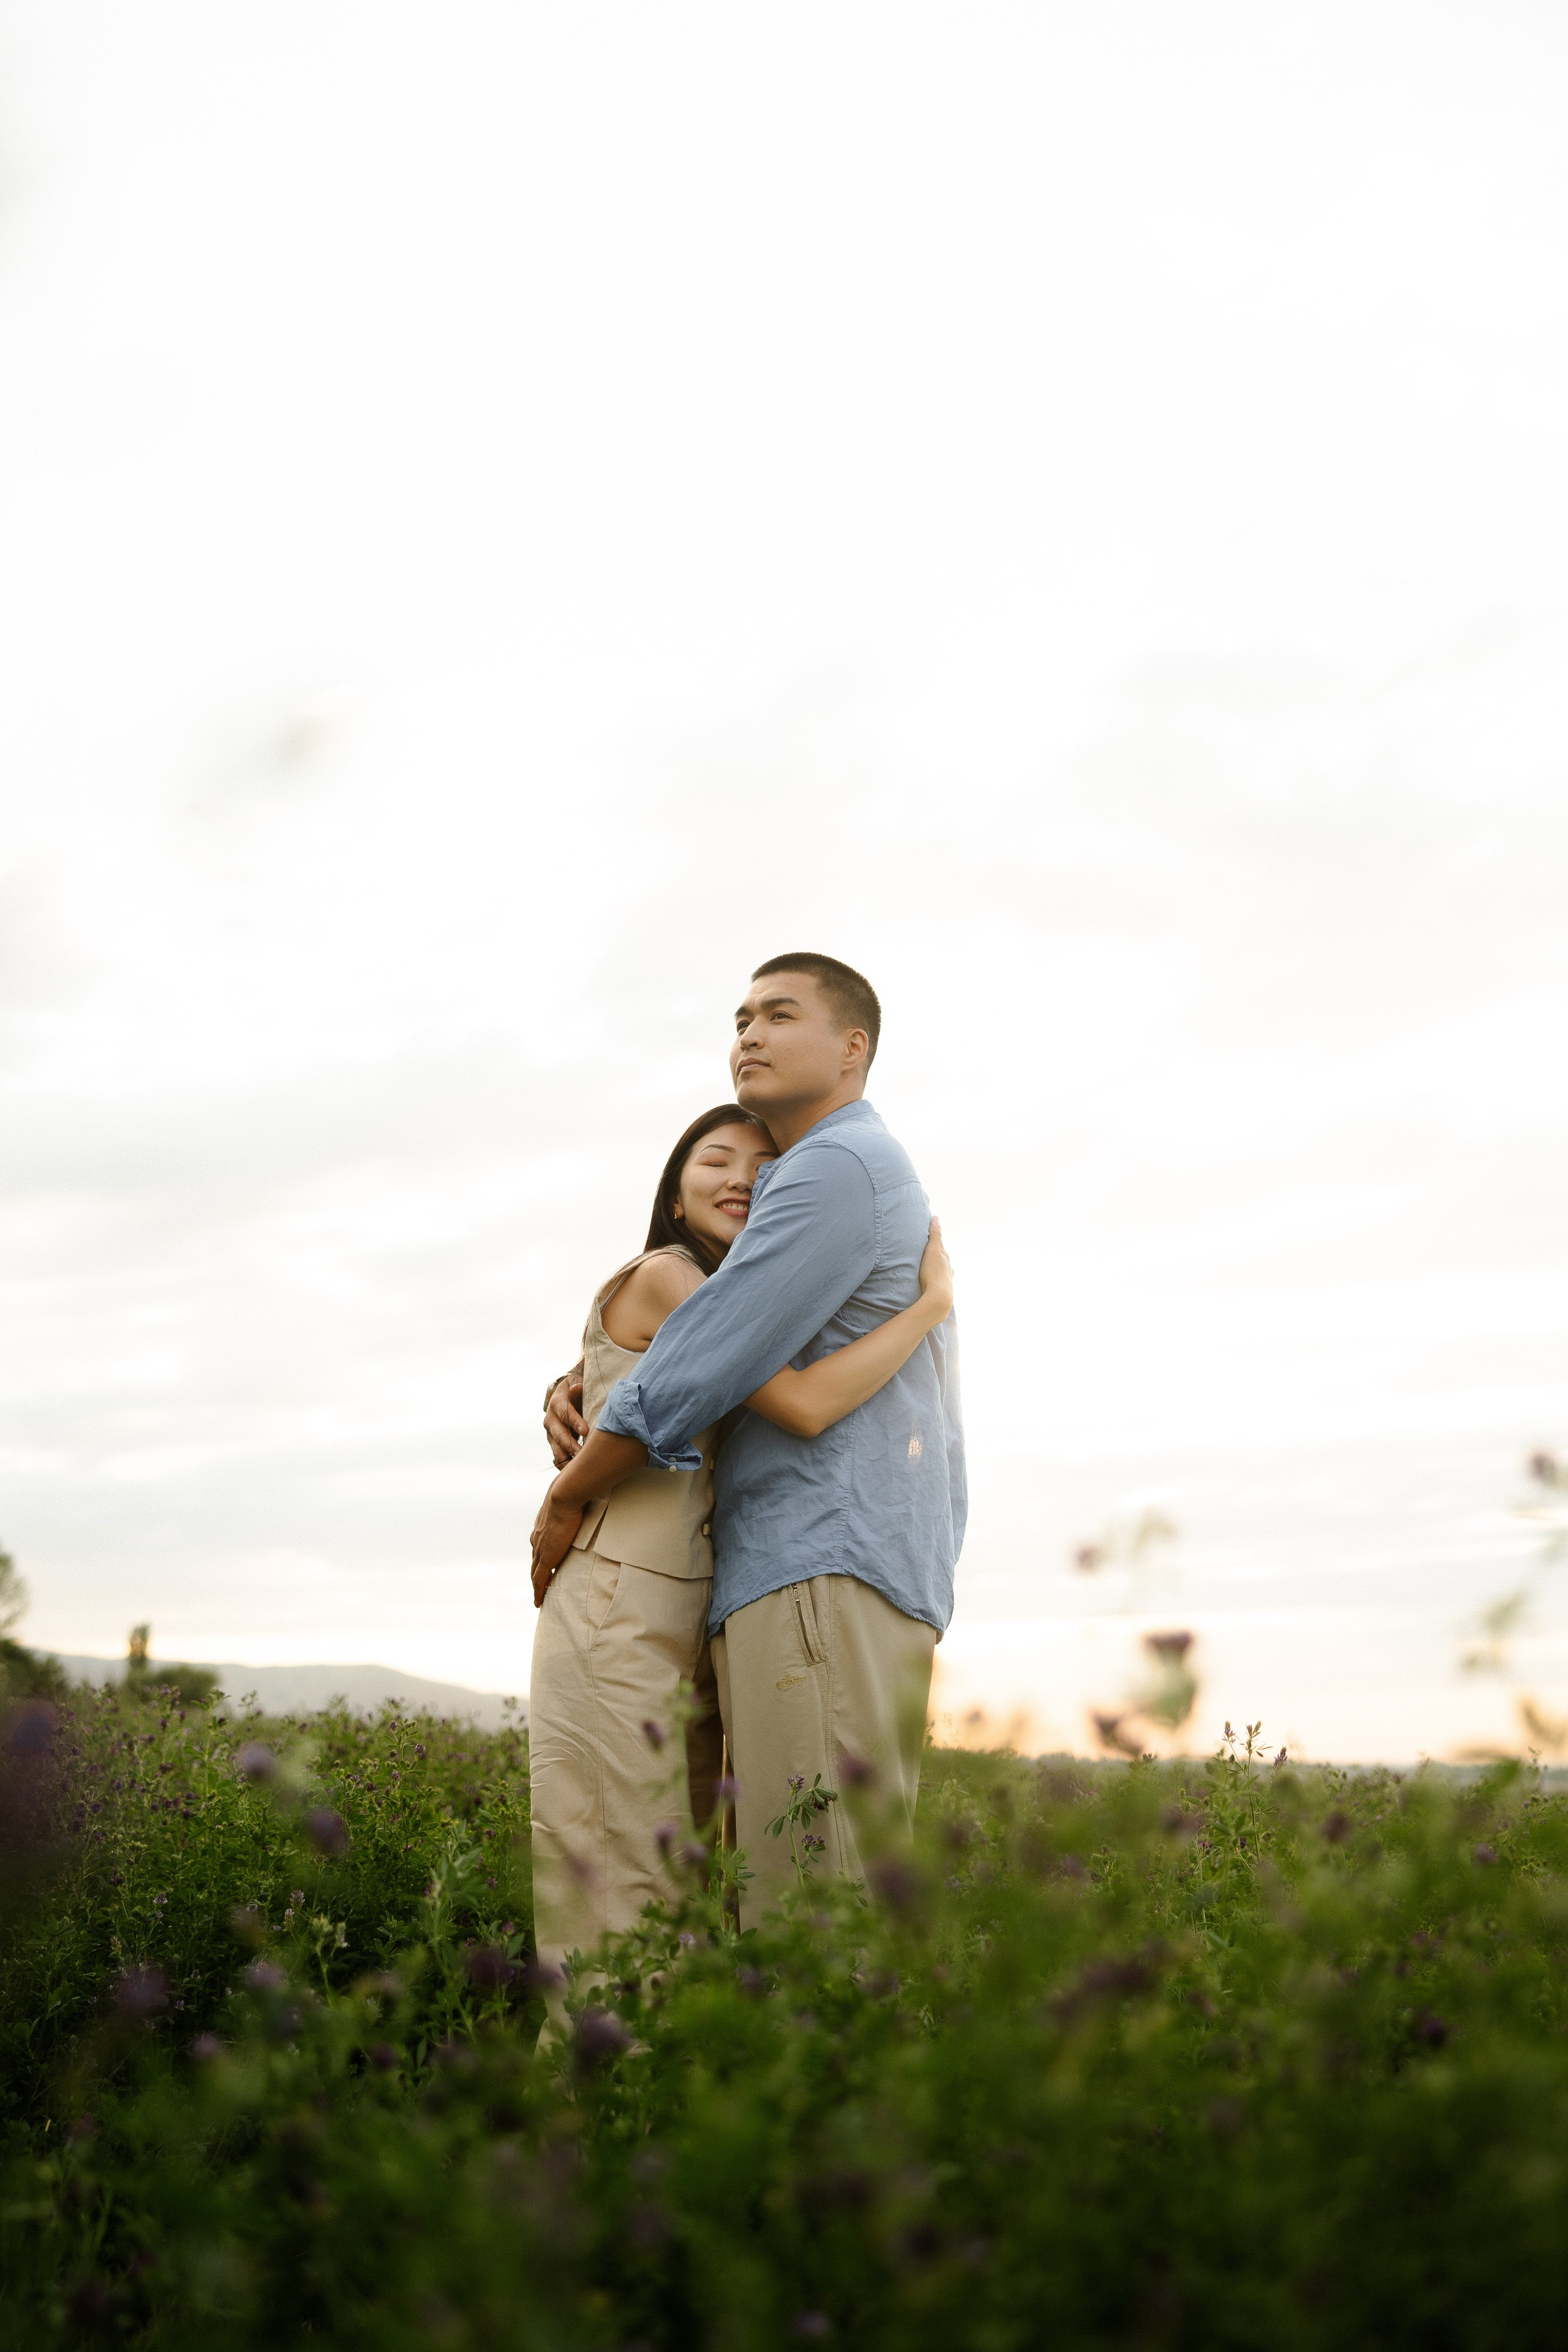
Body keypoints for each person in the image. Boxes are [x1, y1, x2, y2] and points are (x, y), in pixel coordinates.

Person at [535, 954, 965, 1918]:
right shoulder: (819, 1181)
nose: (749, 1037)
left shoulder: (836, 1165)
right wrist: (586, 1377)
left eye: (779, 1015)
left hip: (818, 1559)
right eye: (740, 1020)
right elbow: (702, 1341)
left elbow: (704, 1368)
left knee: (811, 1901)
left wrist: (568, 1494)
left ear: (854, 1048)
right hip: (810, 1565)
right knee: (778, 1892)